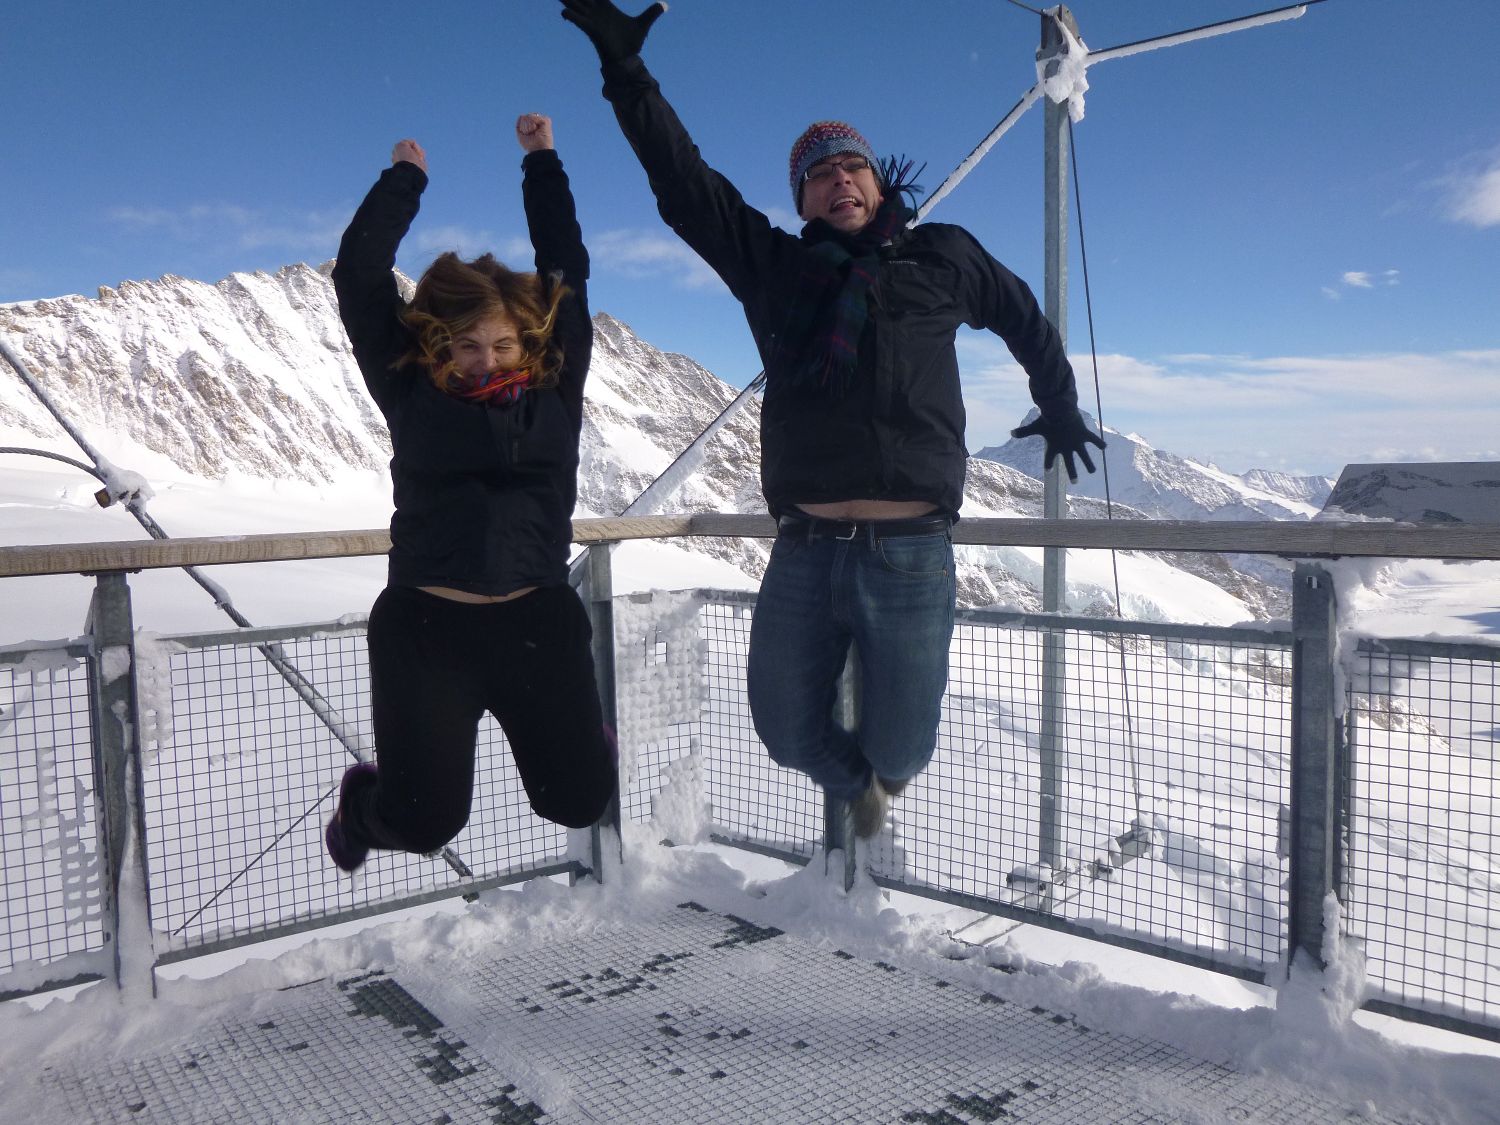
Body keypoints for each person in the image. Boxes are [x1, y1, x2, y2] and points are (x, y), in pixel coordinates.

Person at [558, 1, 1105, 839]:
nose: (839, 178)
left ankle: (881, 777)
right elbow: (686, 185)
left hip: (911, 552)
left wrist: (1058, 400)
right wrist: (626, 73)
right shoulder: (776, 270)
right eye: (819, 174)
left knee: (905, 748)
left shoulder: (942, 255)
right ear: (803, 201)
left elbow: (1022, 315)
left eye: (853, 165)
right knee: (784, 730)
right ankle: (858, 788)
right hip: (805, 551)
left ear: (878, 183)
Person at [324, 113, 616, 873]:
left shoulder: (557, 388)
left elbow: (566, 265)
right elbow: (358, 276)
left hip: (536, 618)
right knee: (424, 822)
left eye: (503, 344)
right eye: (468, 345)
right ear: (439, 344)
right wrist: (404, 181)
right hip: (428, 628)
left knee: (580, 799)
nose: (487, 360)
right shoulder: (408, 387)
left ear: (528, 343)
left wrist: (542, 162)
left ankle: (581, 744)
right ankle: (362, 806)